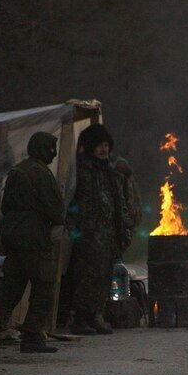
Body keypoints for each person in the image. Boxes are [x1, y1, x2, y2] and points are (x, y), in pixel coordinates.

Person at [0, 131, 65, 353]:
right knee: (43, 289)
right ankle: (32, 336)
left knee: (10, 290)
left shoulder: (16, 172)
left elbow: (5, 206)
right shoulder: (43, 175)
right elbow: (56, 212)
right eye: (50, 149)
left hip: (13, 238)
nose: (53, 154)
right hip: (35, 241)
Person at [66, 123, 131, 335]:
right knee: (87, 275)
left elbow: (118, 201)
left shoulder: (109, 171)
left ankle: (95, 316)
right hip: (88, 234)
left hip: (108, 234)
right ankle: (80, 318)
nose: (103, 150)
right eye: (99, 146)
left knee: (104, 276)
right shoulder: (81, 170)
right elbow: (72, 200)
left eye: (106, 145)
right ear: (90, 147)